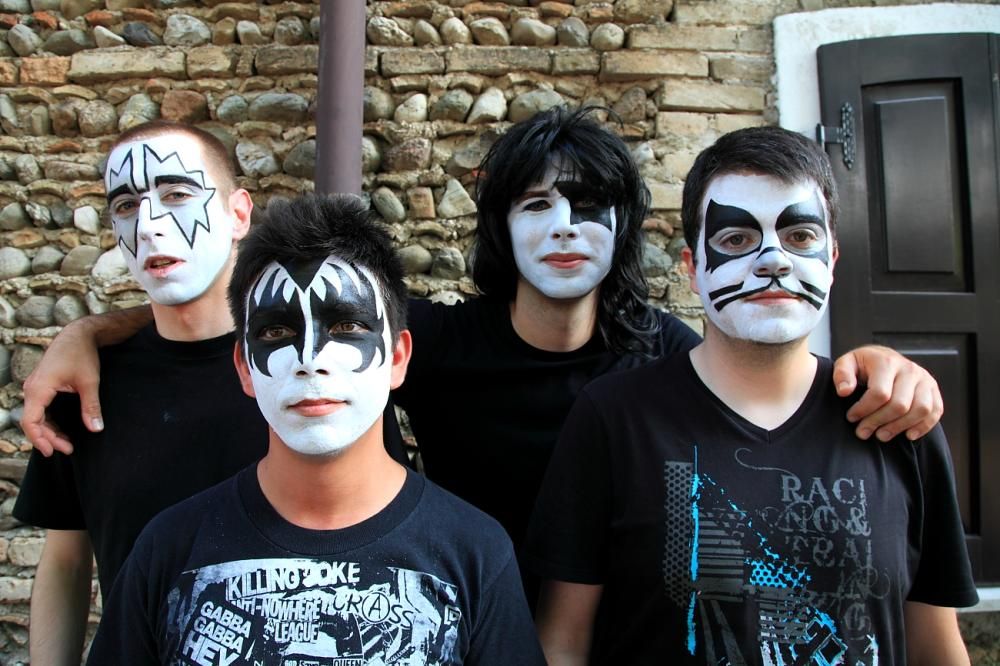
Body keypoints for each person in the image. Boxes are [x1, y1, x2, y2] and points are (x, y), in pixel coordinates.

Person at [21, 108, 942, 583]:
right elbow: (292, 311)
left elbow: (765, 367)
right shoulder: (438, 341)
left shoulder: (665, 356)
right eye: (536, 203)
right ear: (501, 226)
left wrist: (872, 365)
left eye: (590, 204)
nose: (565, 226)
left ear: (626, 226)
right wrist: (93, 330)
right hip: (467, 615)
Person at [524, 126, 977, 664]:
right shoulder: (613, 418)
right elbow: (562, 642)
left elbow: (935, 643)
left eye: (800, 236)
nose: (773, 260)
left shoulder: (894, 418)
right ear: (693, 270)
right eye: (736, 239)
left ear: (832, 260)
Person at [86, 194, 544, 664]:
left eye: (346, 326)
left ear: (397, 358)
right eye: (276, 332)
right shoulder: (168, 551)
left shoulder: (475, 554)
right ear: (244, 367)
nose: (309, 360)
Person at [11, 121, 268, 664]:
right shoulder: (84, 385)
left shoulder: (311, 369)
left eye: (176, 195)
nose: (148, 226)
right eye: (126, 205)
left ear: (238, 214)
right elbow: (65, 560)